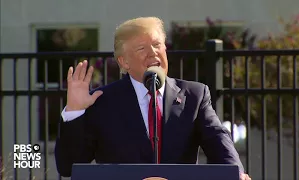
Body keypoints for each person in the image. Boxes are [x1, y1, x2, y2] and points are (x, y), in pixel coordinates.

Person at [54, 16, 251, 180]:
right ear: (124, 61)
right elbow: (68, 167)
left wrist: (237, 172)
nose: (153, 53)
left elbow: (218, 141)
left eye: (157, 45)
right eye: (141, 49)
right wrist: (75, 111)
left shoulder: (194, 95)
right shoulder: (102, 102)